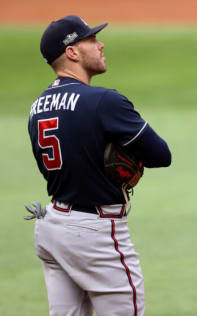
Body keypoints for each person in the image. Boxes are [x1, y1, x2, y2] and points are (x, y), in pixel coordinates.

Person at [25, 15, 171, 316]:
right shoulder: (104, 101)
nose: (100, 44)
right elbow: (161, 154)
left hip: (52, 227)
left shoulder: (36, 107)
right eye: (91, 39)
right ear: (73, 52)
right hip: (95, 234)